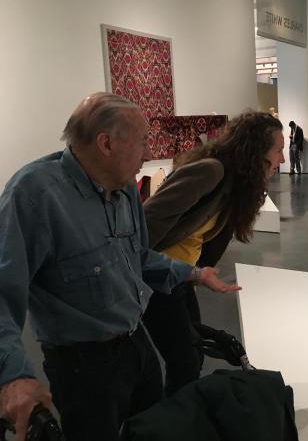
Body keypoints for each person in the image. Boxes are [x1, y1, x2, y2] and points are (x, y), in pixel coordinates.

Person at [0, 92, 237, 441]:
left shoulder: (124, 189)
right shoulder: (34, 195)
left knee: (153, 429)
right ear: (106, 144)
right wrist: (13, 375)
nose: (147, 154)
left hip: (135, 344)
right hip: (82, 367)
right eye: (142, 142)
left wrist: (193, 273)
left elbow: (139, 256)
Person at [142, 111, 285, 395]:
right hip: (158, 278)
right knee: (184, 360)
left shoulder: (236, 181)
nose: (282, 159)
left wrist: (195, 274)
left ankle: (182, 417)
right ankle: (174, 422)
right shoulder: (211, 171)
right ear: (256, 150)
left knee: (192, 355)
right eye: (278, 150)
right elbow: (146, 222)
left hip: (181, 279)